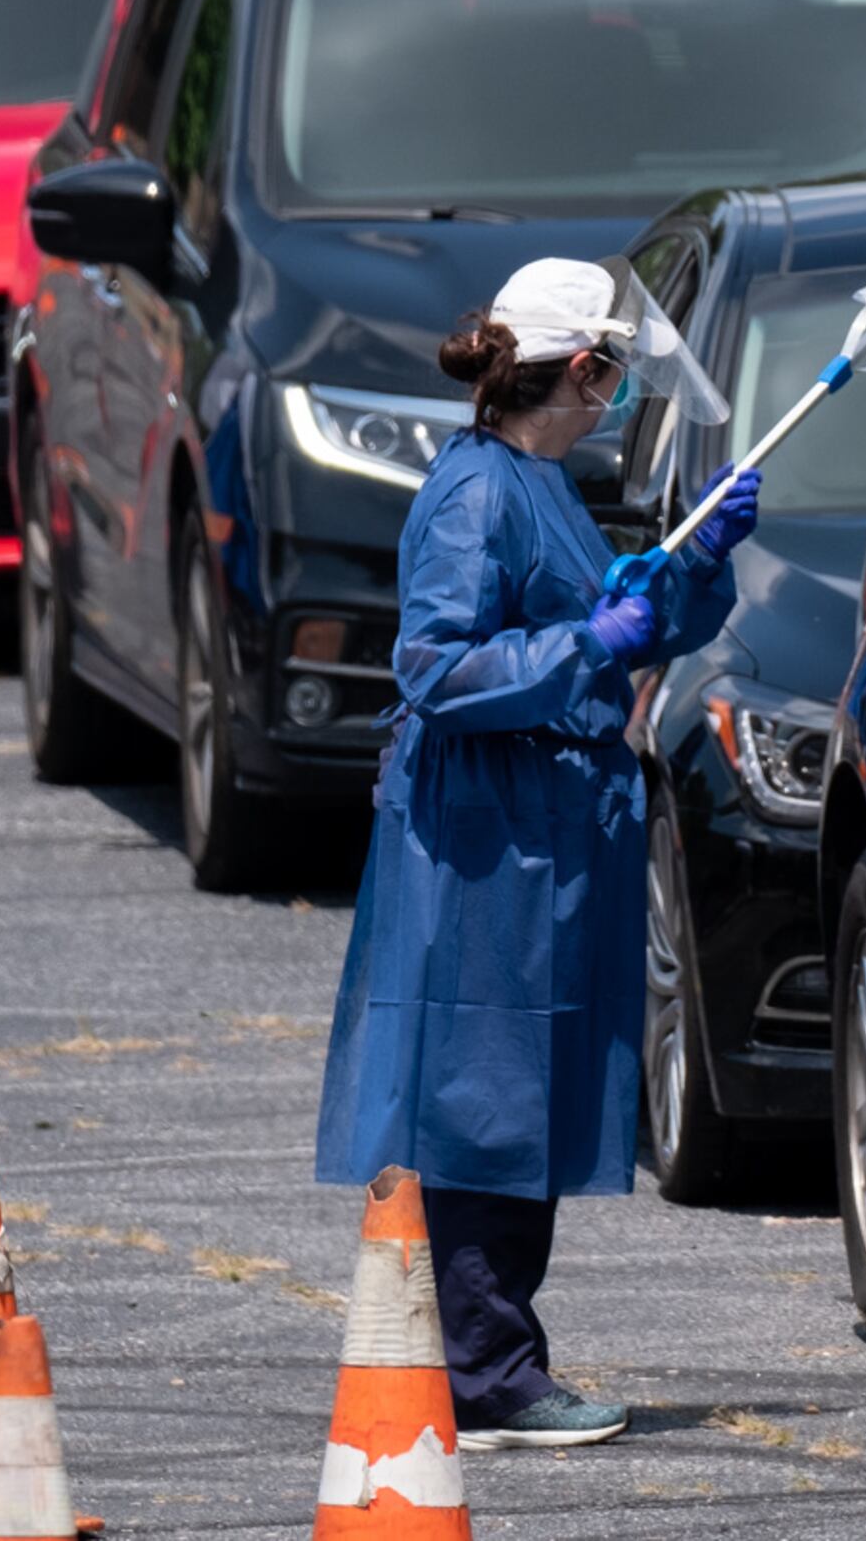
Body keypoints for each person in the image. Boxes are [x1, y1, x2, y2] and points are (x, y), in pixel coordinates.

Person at [315, 258, 759, 1449]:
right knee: (482, 1093)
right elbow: (436, 670)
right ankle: (486, 1372)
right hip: (487, 836)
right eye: (611, 374)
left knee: (527, 1084)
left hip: (541, 832)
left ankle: (494, 1355)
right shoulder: (476, 494)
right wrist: (585, 639)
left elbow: (622, 619)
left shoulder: (537, 481)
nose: (617, 395)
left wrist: (695, 562)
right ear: (583, 369)